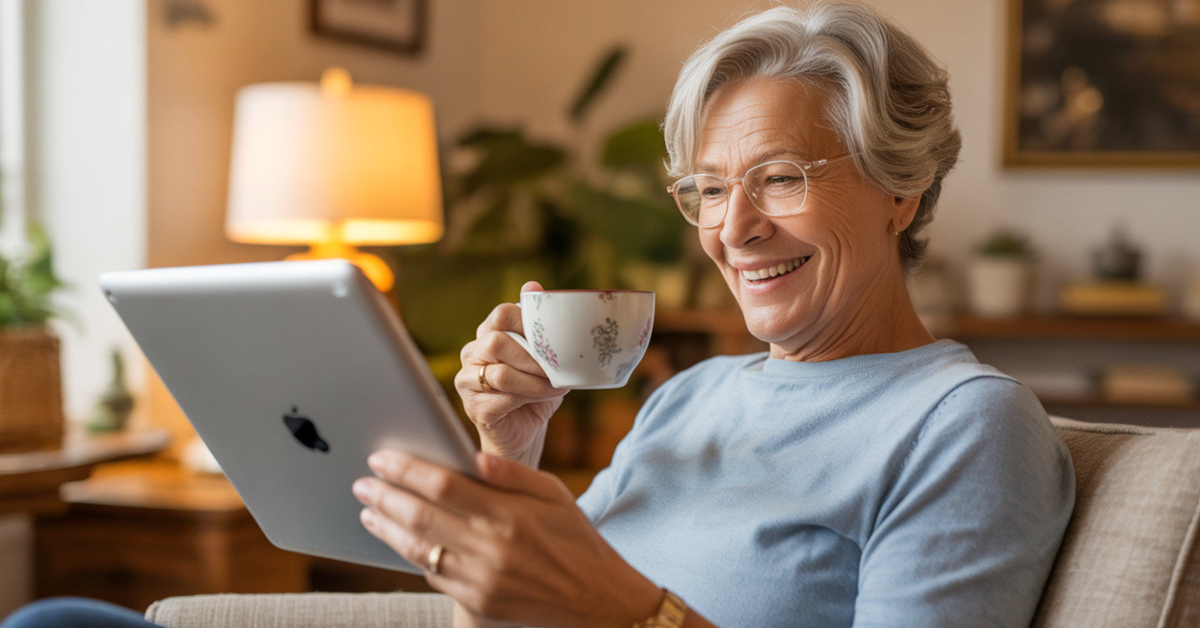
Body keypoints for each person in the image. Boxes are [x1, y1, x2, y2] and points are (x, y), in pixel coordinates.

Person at [1, 2, 1072, 628]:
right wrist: (504, 455)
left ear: (902, 190)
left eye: (781, 178)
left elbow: (591, 606)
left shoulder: (965, 426)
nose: (734, 228)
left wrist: (628, 611)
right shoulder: (691, 395)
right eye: (707, 189)